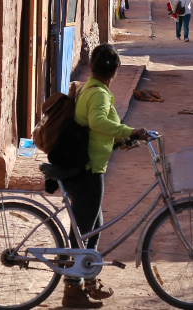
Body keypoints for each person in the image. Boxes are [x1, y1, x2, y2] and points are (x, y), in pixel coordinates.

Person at [62, 44, 148, 307]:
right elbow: (98, 122)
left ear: (92, 67)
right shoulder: (98, 94)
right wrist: (129, 131)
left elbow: (96, 127)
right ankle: (73, 290)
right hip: (88, 170)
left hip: (87, 166)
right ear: (115, 71)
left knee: (92, 226)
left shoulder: (90, 88)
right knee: (84, 228)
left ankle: (87, 278)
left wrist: (119, 140)